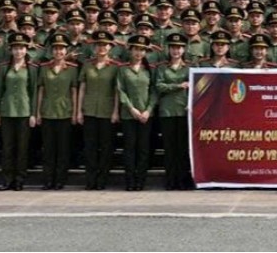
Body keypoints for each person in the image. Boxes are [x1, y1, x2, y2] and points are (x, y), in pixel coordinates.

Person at [77, 31, 120, 190]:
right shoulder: (87, 64)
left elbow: (117, 90)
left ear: (110, 47)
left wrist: (115, 111)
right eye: (98, 45)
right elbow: (82, 87)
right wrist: (79, 111)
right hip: (89, 110)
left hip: (107, 111)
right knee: (90, 147)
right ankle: (91, 179)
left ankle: (102, 179)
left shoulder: (115, 66)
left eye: (104, 45)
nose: (101, 48)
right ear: (94, 47)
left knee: (106, 147)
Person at [35, 33, 79, 190]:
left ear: (66, 51)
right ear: (51, 51)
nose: (58, 52)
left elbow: (74, 91)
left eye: (61, 49)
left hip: (65, 111)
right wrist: (38, 112)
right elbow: (41, 90)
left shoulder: (72, 69)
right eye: (55, 49)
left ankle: (60, 179)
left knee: (63, 149)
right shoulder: (44, 68)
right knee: (48, 148)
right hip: (47, 111)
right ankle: (48, 179)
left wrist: (75, 112)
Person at [0, 33, 38, 191]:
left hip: (24, 112)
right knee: (7, 148)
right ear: (11, 50)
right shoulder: (4, 67)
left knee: (22, 148)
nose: (18, 51)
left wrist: (33, 113)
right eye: (15, 48)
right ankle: (7, 179)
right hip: (7, 111)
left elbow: (34, 92)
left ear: (26, 50)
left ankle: (19, 179)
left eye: (21, 48)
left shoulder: (32, 68)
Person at [118, 35, 157, 191]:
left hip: (146, 116)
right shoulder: (123, 69)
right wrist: (131, 108)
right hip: (129, 114)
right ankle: (129, 181)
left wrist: (148, 110)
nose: (139, 53)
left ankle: (140, 181)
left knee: (143, 149)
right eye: (136, 49)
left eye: (142, 50)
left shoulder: (150, 70)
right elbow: (120, 90)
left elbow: (154, 91)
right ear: (130, 50)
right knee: (129, 148)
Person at [156, 32, 194, 190]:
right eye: (173, 47)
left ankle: (183, 180)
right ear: (168, 49)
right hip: (167, 111)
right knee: (169, 148)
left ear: (184, 50)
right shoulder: (162, 68)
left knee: (183, 149)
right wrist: (178, 86)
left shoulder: (190, 68)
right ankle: (170, 180)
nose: (176, 51)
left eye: (179, 48)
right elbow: (159, 86)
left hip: (184, 111)